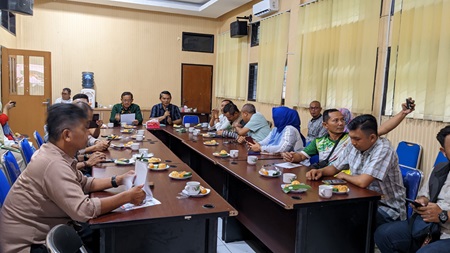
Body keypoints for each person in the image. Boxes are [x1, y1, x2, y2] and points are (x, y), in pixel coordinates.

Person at [0, 103, 146, 253]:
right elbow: (84, 210)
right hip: (28, 245)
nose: (88, 133)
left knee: (101, 234)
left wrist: (118, 180)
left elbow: (85, 183)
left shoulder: (58, 154)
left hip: (49, 230)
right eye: (83, 128)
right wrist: (127, 197)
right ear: (67, 135)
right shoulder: (53, 164)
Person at [306, 114, 406, 227]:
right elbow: (334, 167)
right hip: (360, 200)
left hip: (386, 209)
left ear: (372, 138)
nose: (353, 142)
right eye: (351, 137)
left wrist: (344, 175)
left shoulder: (383, 149)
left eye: (357, 139)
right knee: (325, 210)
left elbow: (363, 182)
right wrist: (321, 171)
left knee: (339, 218)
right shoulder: (353, 144)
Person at [374, 125, 450, 253]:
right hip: (429, 227)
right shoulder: (440, 169)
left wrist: (444, 215)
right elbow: (425, 195)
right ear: (444, 152)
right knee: (384, 234)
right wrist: (422, 201)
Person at [282, 99, 416, 168]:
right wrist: (292, 157)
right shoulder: (320, 141)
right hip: (325, 179)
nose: (341, 123)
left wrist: (402, 113)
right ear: (325, 125)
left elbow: (383, 129)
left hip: (347, 182)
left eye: (342, 120)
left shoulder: (353, 138)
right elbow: (302, 155)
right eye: (336, 121)